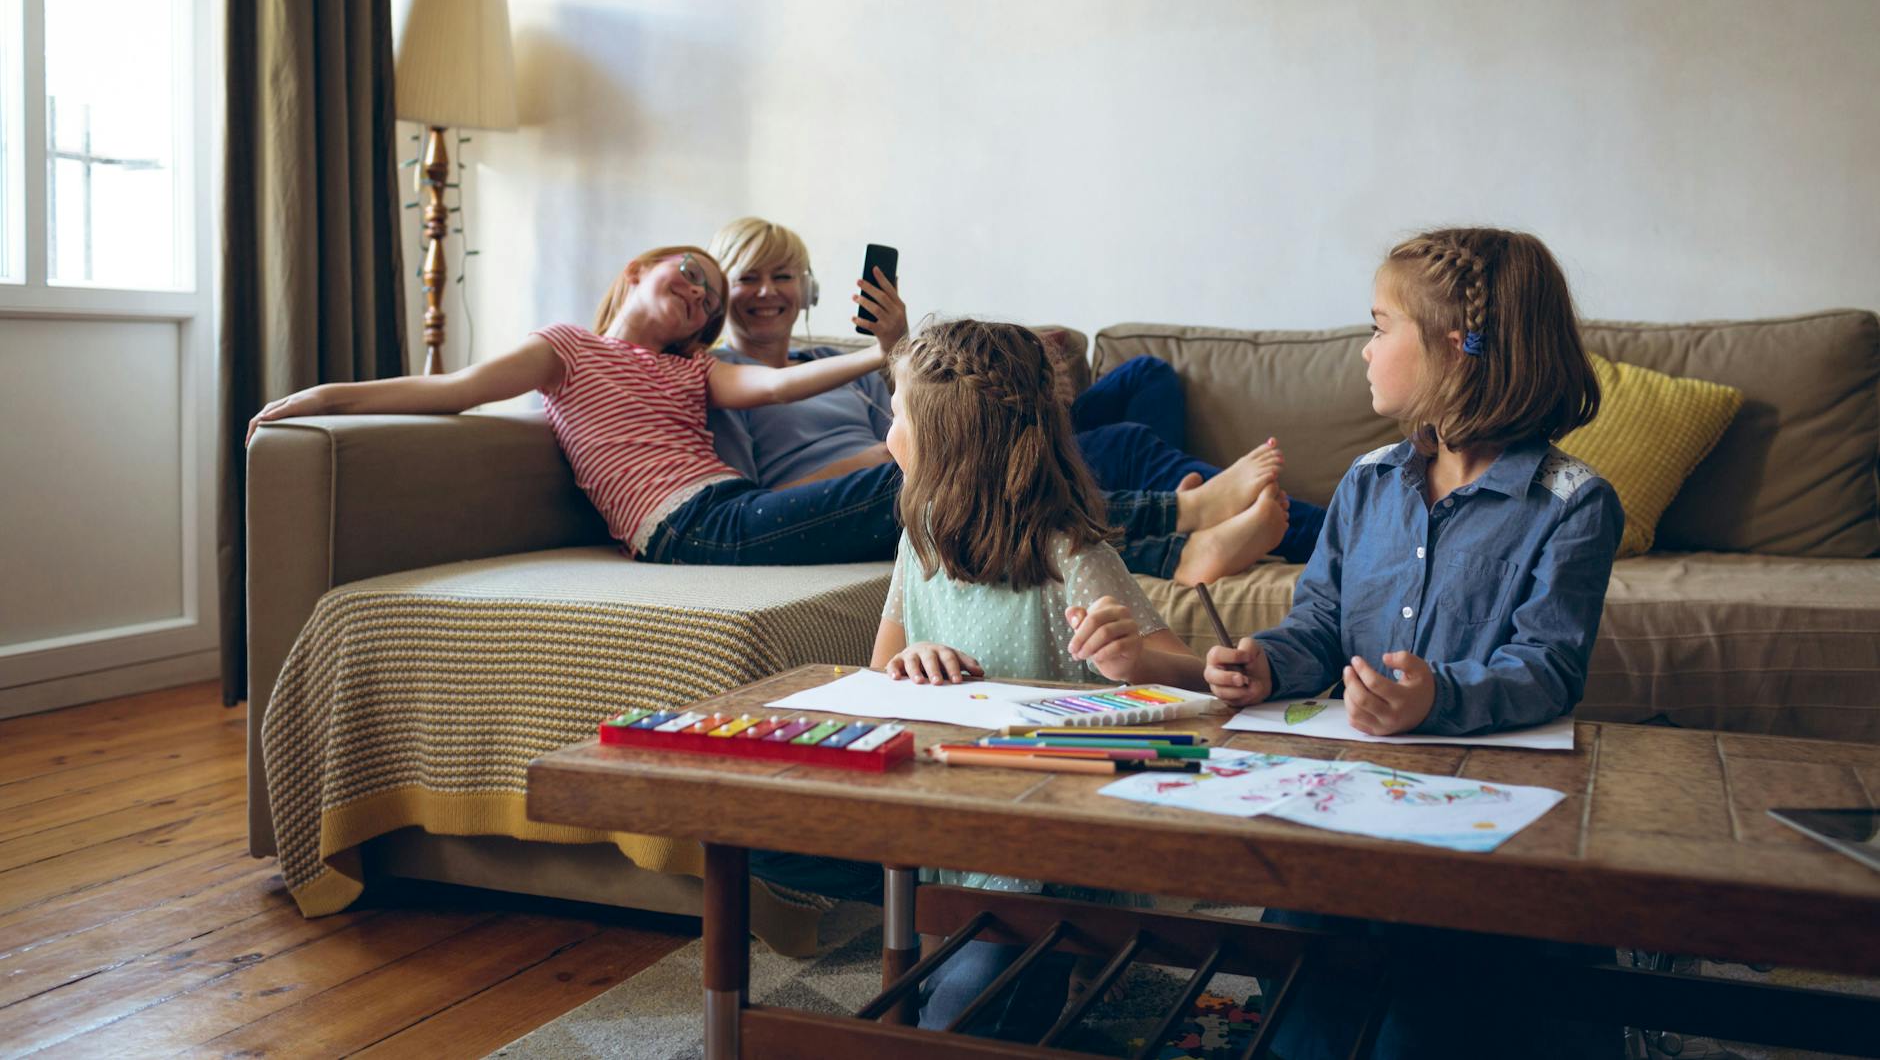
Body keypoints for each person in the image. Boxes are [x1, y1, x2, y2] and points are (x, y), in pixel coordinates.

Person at [1200, 226, 1626, 1060]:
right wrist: (1267, 663)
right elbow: (1319, 627)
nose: (1362, 349)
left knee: (1422, 1029)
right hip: (1349, 808)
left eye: (1378, 325)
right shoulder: (1365, 483)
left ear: (1458, 348)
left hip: (1481, 822)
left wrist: (1441, 695)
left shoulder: (1574, 504)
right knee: (1301, 1012)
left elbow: (1546, 667)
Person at [246, 243, 1273, 573]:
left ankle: (1173, 529)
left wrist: (878, 351)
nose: (698, 290)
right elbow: (447, 389)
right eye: (683, 276)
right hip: (687, 530)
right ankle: (1175, 523)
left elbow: (783, 381)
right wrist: (314, 396)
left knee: (939, 487)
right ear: (635, 274)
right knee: (930, 483)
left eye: (706, 288)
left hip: (729, 510)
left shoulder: (698, 372)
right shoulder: (565, 349)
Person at [869, 318, 1249, 1038]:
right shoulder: (914, 540)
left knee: (955, 1021)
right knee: (915, 1008)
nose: (887, 434)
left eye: (896, 415)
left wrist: (1133, 660)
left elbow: (1197, 677)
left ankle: (1080, 966)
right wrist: (906, 663)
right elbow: (878, 671)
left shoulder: (1067, 551)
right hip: (951, 834)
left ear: (946, 440)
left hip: (1047, 853)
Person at [705, 216, 1320, 574]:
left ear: (806, 288)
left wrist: (894, 344)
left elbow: (920, 412)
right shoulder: (724, 380)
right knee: (1123, 443)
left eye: (781, 275)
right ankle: (1316, 533)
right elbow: (765, 499)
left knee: (1146, 376)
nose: (767, 291)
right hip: (889, 480)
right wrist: (877, 457)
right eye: (748, 277)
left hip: (936, 449)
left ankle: (1170, 499)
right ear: (721, 292)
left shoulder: (837, 362)